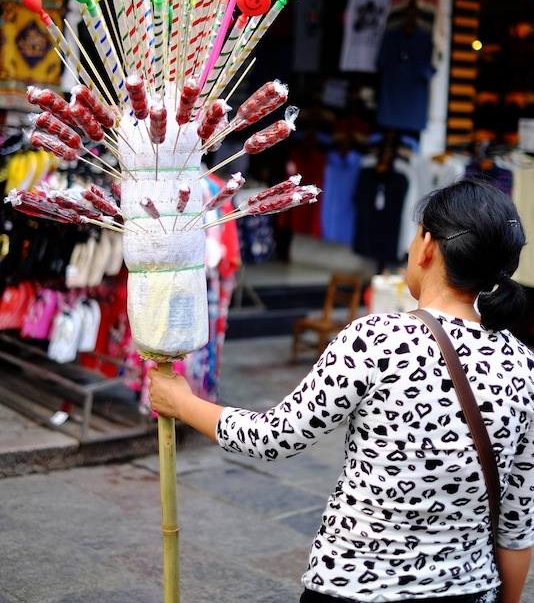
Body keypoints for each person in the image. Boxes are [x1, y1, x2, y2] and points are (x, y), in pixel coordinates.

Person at [149, 179, 534, 603]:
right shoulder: (524, 366)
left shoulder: (376, 340)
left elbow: (273, 437)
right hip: (469, 591)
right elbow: (517, 528)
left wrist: (182, 403)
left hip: (356, 587)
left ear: (427, 246)